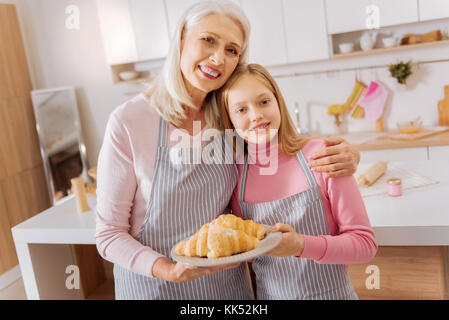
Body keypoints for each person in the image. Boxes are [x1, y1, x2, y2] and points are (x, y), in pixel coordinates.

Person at [95, 0, 361, 300]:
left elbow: (279, 149)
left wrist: (344, 155)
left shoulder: (229, 117)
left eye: (232, 50)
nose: (218, 58)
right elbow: (108, 234)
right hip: (155, 288)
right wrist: (168, 269)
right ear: (182, 37)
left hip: (228, 291)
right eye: (208, 40)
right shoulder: (129, 121)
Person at [215, 63, 378, 300]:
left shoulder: (322, 155)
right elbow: (249, 251)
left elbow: (365, 245)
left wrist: (301, 245)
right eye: (241, 110)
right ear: (229, 120)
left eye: (264, 102)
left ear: (278, 102)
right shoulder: (235, 175)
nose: (256, 115)